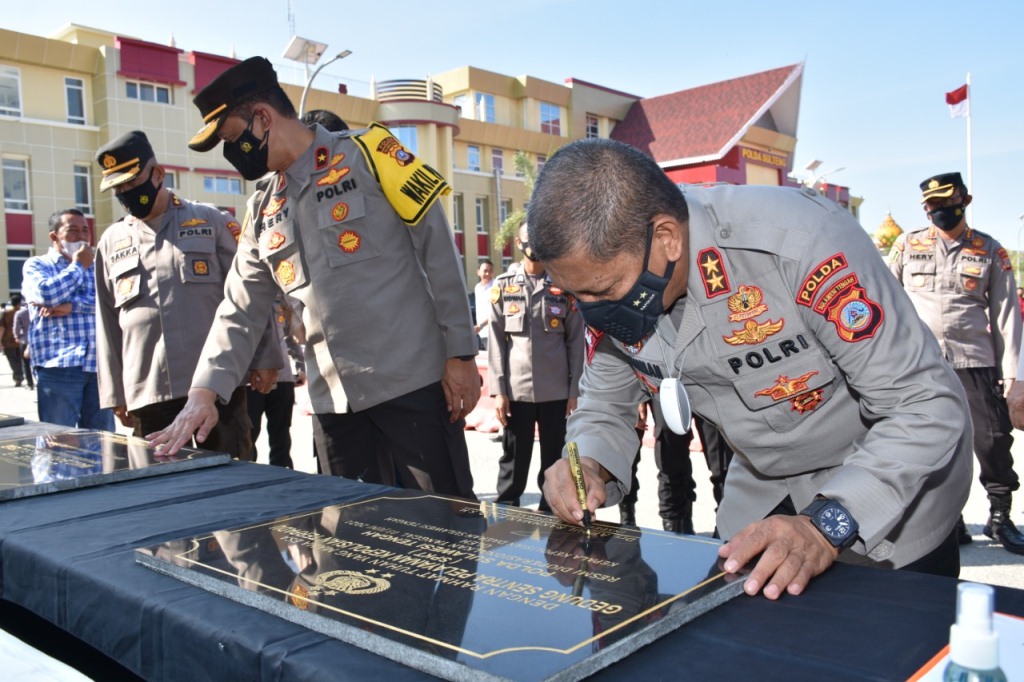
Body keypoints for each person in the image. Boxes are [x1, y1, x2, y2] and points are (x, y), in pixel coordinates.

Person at [529, 138, 972, 600]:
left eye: (603, 291)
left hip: (887, 493)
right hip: (764, 491)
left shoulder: (797, 241)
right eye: (577, 296)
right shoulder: (612, 280)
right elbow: (604, 404)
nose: (592, 310)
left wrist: (827, 524)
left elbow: (923, 404)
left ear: (666, 238)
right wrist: (587, 463)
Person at [148, 57, 479, 498]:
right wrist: (205, 391)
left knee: (445, 529)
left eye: (232, 138)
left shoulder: (372, 155)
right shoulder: (262, 209)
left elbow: (439, 252)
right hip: (334, 403)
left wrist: (460, 354)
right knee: (347, 542)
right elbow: (239, 309)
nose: (232, 155)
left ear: (263, 118)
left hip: (412, 385)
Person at [93, 130, 282, 461]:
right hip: (148, 388)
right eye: (118, 188)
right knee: (160, 489)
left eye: (132, 182)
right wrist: (115, 392)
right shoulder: (111, 241)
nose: (126, 193)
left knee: (231, 477)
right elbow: (107, 321)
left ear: (158, 174)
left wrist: (266, 358)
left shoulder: (211, 221)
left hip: (215, 381)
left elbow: (249, 292)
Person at [888, 172, 1024, 555]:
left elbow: (1006, 315)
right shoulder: (907, 244)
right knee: (933, 443)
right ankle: (950, 521)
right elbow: (885, 297)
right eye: (931, 205)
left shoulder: (988, 250)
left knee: (992, 440)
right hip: (922, 363)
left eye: (946, 203)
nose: (939, 211)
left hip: (975, 362)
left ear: (965, 200)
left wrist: (1014, 377)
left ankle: (1001, 518)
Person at [488, 223, 584, 511]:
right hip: (516, 392)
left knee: (554, 458)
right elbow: (495, 342)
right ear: (518, 242)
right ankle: (506, 512)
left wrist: (574, 390)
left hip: (556, 391)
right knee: (514, 458)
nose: (534, 245)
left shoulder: (562, 286)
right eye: (529, 239)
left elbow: (575, 342)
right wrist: (498, 391)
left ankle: (551, 512)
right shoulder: (504, 285)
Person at [22, 209, 114, 430]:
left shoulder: (99, 267)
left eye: (85, 230)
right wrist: (78, 266)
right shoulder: (38, 265)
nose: (81, 237)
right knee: (58, 441)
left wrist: (73, 305)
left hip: (98, 364)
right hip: (59, 364)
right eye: (73, 231)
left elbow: (111, 302)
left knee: (103, 442)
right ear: (54, 236)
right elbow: (47, 294)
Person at [247, 293, 305, 468]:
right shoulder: (248, 298)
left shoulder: (281, 299)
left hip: (283, 376)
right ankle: (249, 478)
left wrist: (300, 364)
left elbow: (291, 335)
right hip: (253, 378)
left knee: (281, 432)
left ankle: (283, 475)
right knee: (250, 433)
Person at [1, 294, 27, 386]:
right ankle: (21, 375)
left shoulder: (6, 313)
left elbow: (2, 328)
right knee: (21, 360)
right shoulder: (24, 312)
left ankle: (18, 377)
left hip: (8, 341)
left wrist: (0, 341)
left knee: (12, 360)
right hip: (21, 340)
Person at [473, 259, 495, 350]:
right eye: (485, 271)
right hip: (479, 333)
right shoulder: (477, 287)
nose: (487, 274)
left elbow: (495, 312)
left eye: (490, 271)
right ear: (478, 272)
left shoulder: (496, 286)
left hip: (492, 332)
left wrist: (481, 325)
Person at [12, 301, 32, 389]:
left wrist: (17, 337)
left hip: (25, 340)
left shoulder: (20, 313)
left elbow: (16, 327)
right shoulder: (38, 311)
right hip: (38, 340)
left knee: (25, 363)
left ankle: (30, 383)